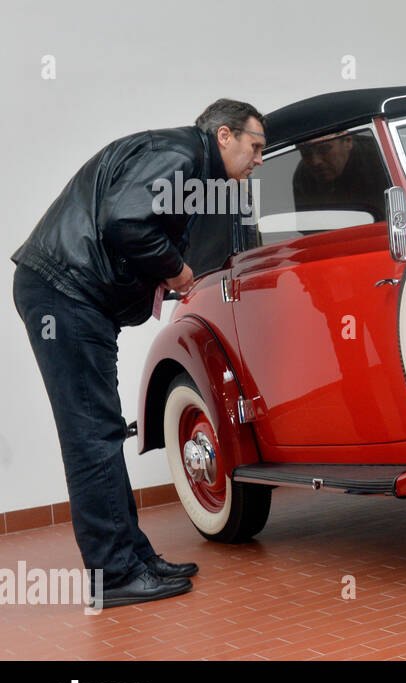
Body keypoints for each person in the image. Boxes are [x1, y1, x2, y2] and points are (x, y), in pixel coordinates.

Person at [12, 98, 266, 606]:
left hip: (72, 296)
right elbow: (125, 221)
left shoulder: (184, 161)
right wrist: (176, 271)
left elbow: (131, 222)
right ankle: (114, 577)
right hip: (64, 293)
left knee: (101, 431)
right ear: (224, 137)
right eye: (255, 146)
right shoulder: (181, 155)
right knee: (92, 435)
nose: (259, 158)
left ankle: (134, 557)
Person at [292, 131, 388, 220]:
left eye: (324, 149)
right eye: (305, 153)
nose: (315, 161)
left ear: (348, 141)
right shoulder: (303, 176)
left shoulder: (382, 159)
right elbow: (309, 226)